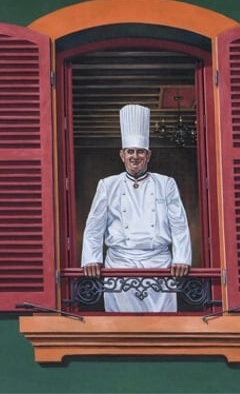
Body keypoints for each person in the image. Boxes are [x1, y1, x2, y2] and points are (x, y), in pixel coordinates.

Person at [80, 104, 191, 312]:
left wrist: (182, 258)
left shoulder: (166, 183)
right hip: (119, 264)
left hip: (159, 263)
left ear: (148, 156)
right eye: (130, 151)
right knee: (122, 327)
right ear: (122, 155)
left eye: (140, 152)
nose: (135, 157)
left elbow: (179, 224)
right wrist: (92, 258)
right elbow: (94, 226)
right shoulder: (108, 184)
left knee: (163, 327)